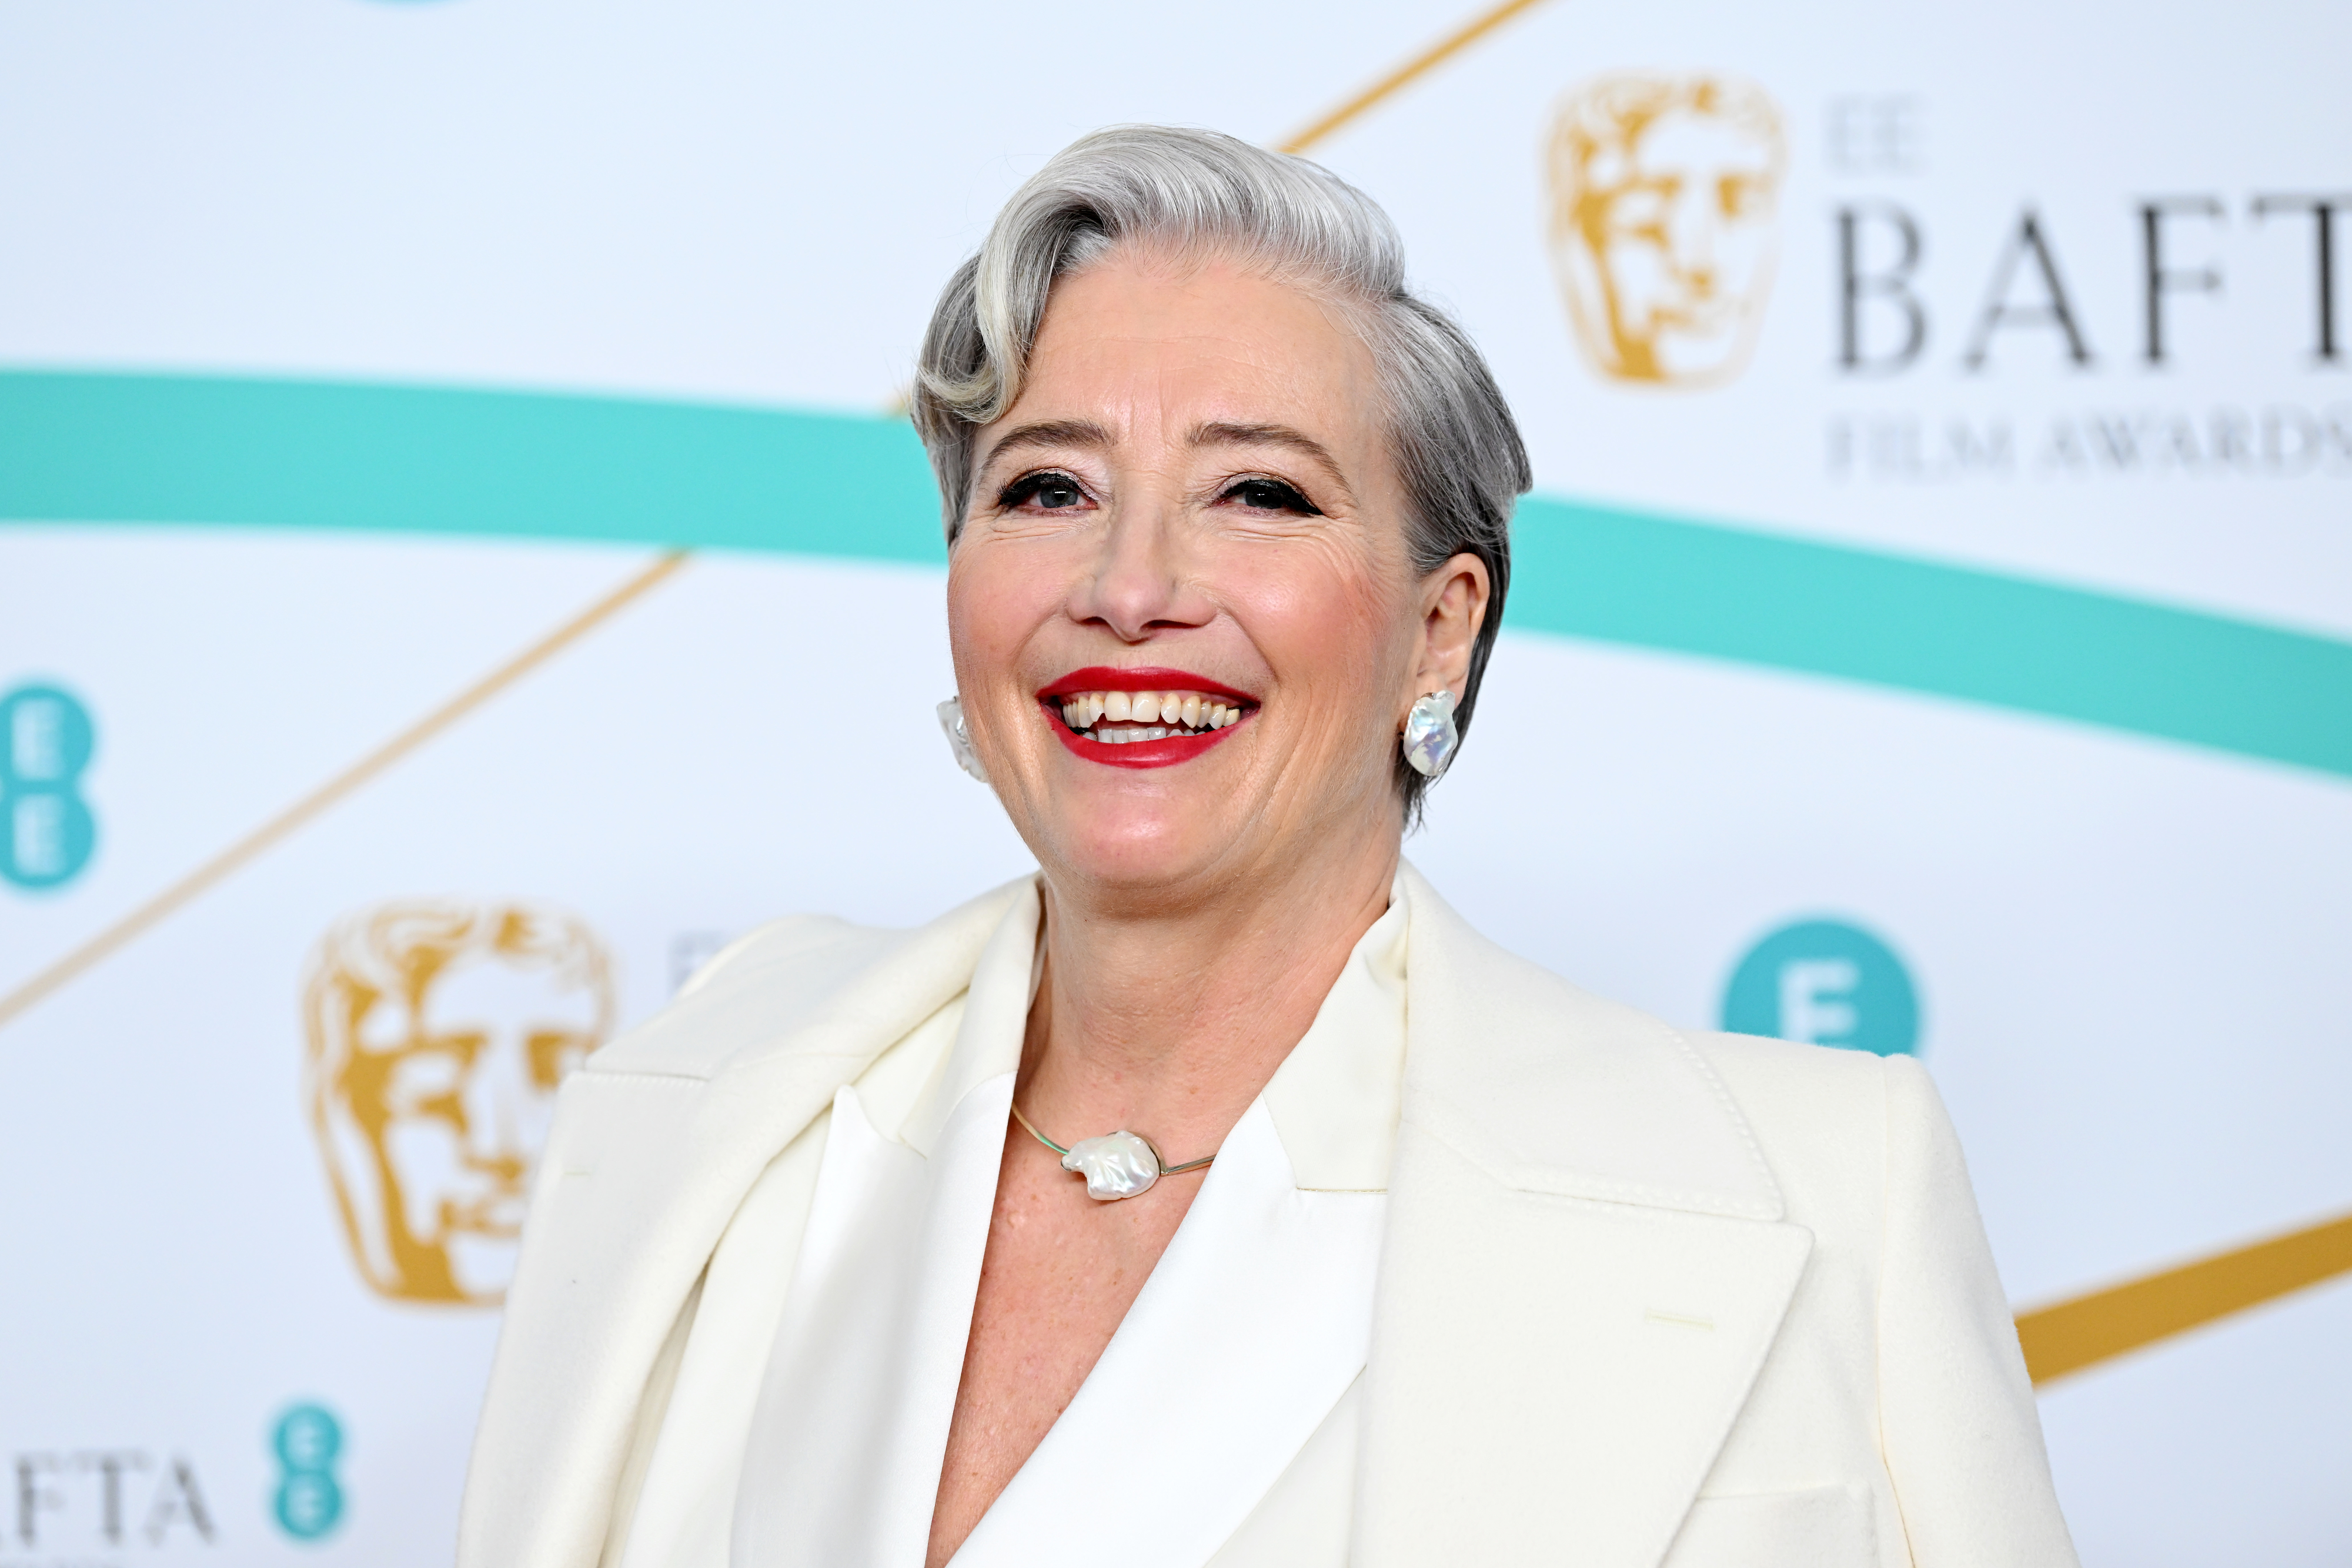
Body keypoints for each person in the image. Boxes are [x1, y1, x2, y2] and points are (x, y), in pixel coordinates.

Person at [460, 126, 2075, 1568]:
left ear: (1441, 633)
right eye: (1045, 487)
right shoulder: (720, 1112)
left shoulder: (1818, 1185)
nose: (1132, 581)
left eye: (1257, 491)